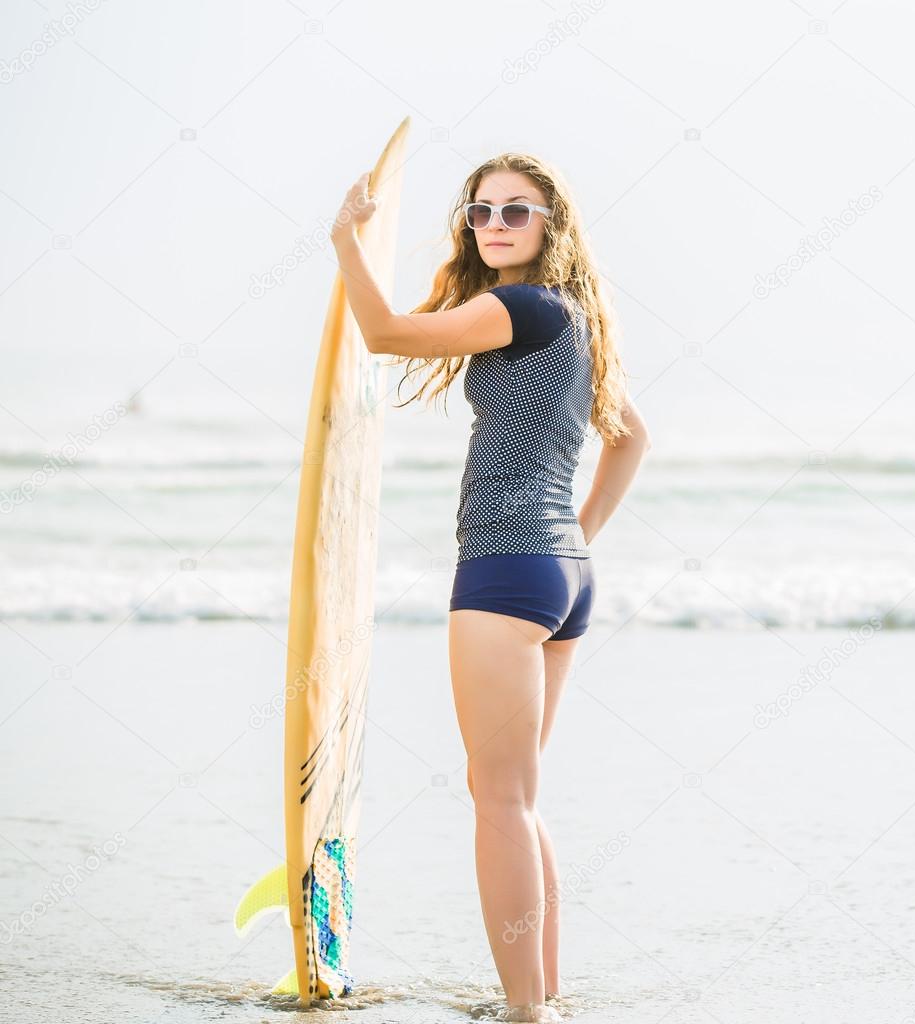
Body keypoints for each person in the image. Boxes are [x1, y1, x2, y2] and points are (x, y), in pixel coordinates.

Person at [331, 152, 652, 1023]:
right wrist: (574, 541)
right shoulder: (575, 318)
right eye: (481, 213)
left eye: (518, 211)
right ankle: (541, 994)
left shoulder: (518, 308)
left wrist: (345, 244)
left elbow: (388, 334)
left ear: (554, 226)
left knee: (499, 796)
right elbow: (630, 439)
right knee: (512, 793)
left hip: (506, 574)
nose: (497, 225)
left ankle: (523, 1013)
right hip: (561, 579)